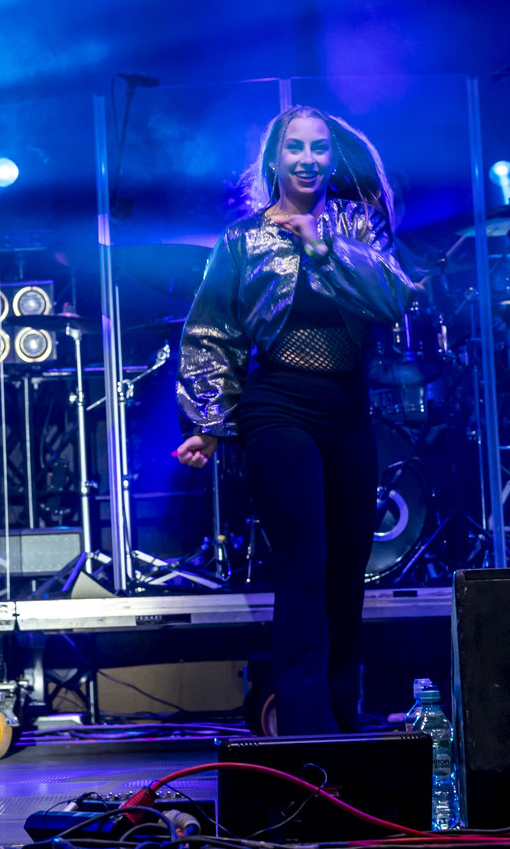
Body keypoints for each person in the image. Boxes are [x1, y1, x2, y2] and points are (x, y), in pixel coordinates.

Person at [174, 105, 414, 736]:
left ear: (333, 159)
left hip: (348, 411)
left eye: (319, 148)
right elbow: (211, 332)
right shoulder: (242, 240)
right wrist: (207, 423)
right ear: (274, 160)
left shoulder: (359, 224)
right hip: (278, 406)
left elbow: (392, 299)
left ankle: (343, 721)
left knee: (347, 570)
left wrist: (323, 244)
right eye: (295, 148)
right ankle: (309, 730)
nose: (308, 159)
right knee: (305, 563)